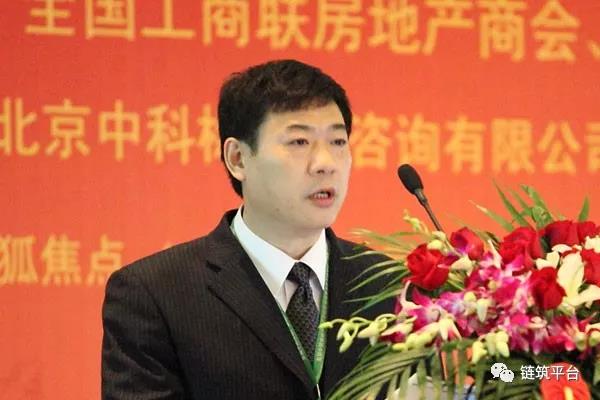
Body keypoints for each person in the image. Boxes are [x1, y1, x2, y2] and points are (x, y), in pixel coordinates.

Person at [101, 59, 393, 400]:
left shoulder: (389, 286)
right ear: (238, 158)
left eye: (338, 142)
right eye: (299, 142)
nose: (326, 163)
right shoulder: (154, 294)